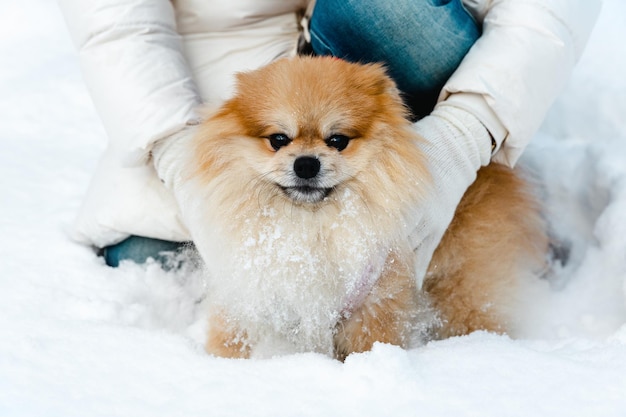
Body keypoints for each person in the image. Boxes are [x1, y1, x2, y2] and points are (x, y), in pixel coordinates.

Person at [58, 0, 600, 280]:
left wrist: (470, 129)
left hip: (387, 51)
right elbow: (117, 25)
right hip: (214, 92)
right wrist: (175, 149)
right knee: (148, 265)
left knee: (399, 16)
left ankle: (483, 185)